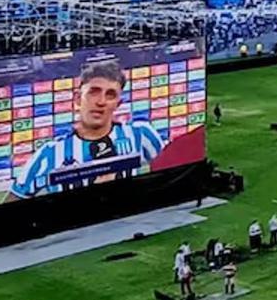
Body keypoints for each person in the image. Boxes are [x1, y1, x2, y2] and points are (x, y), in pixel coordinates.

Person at [10, 61, 164, 200]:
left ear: (118, 104)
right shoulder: (49, 153)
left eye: (110, 95)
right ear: (78, 98)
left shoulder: (140, 134)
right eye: (94, 92)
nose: (101, 102)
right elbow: (13, 200)